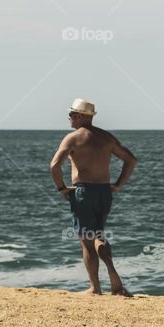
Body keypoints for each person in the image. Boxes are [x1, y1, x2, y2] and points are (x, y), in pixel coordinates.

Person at [50, 99, 137, 296]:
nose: (69, 118)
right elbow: (131, 160)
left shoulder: (73, 138)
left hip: (83, 192)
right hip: (104, 192)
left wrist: (62, 188)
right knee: (98, 234)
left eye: (72, 114)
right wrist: (118, 185)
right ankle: (114, 278)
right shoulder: (106, 138)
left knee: (87, 241)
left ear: (80, 116)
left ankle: (95, 288)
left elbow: (54, 166)